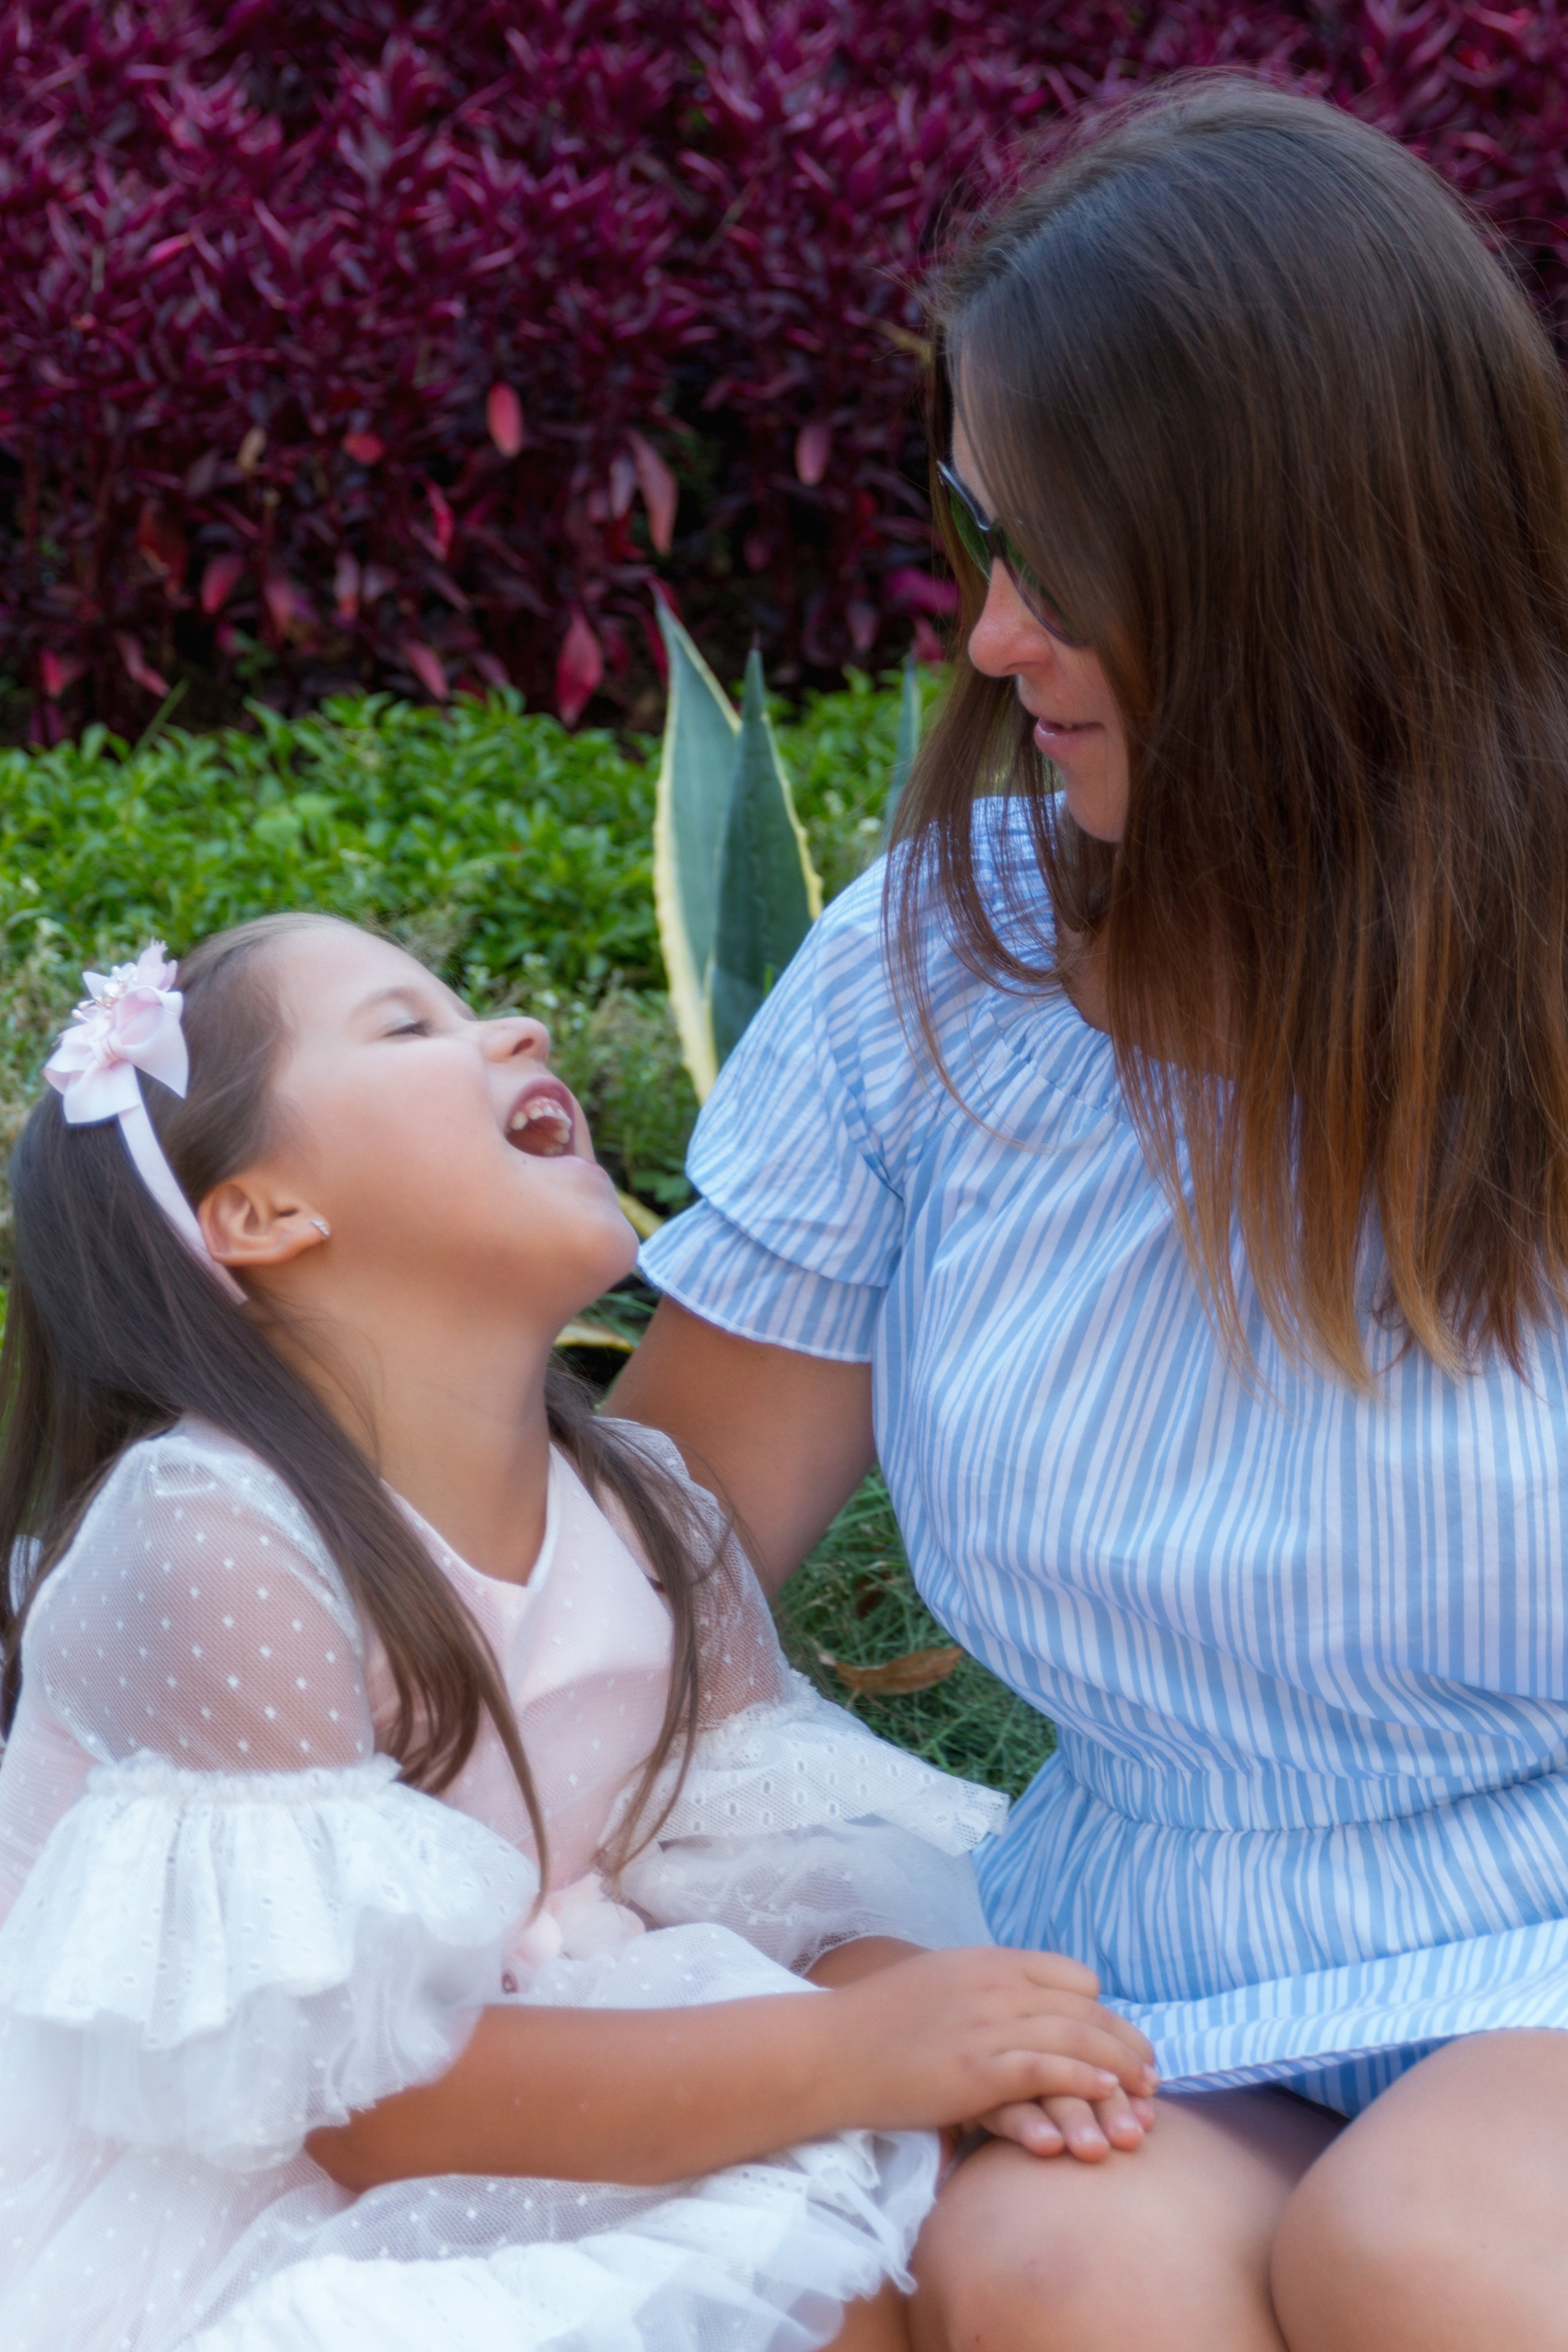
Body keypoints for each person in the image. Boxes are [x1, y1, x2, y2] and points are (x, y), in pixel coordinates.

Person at [616, 75, 1568, 2352]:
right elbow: (653, 1544)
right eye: (983, 539)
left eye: (1064, 568)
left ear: (1300, 568)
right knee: (1056, 2267)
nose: (990, 641)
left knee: (1427, 2250)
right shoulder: (931, 970)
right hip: (1146, 1925)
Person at [0, 919, 1157, 2352]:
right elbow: (361, 2108)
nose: (517, 1032)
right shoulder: (211, 1534)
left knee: (874, 2242)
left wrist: (937, 2024)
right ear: (264, 1212)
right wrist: (855, 2053)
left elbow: (796, 1873)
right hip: (264, 2186)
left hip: (557, 2054)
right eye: (408, 1028)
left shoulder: (643, 1509)